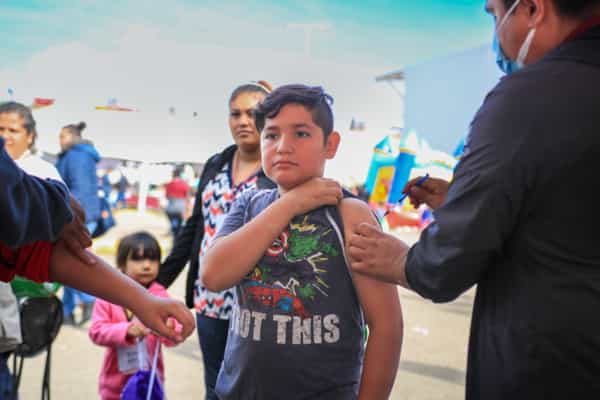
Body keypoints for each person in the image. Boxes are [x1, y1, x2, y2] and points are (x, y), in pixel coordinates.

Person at [346, 1, 600, 398]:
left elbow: (448, 262)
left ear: (533, 9)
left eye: (495, 14)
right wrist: (465, 202)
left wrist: (403, 261)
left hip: (553, 363)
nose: (496, 33)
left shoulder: (530, 97)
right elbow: (569, 215)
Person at [201, 84, 403, 400]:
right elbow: (213, 276)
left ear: (330, 144)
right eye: (271, 135)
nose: (283, 146)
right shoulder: (248, 204)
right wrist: (291, 203)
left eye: (301, 134)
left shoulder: (349, 215)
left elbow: (386, 324)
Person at [156, 80, 275, 400]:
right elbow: (195, 227)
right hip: (210, 297)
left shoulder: (278, 171)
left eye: (253, 113)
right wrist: (157, 283)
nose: (243, 121)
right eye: (235, 114)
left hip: (255, 302)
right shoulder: (216, 164)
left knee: (253, 388)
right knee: (215, 385)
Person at [89, 232, 181, 400]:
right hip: (115, 387)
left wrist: (170, 327)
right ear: (122, 264)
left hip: (150, 385)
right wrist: (126, 330)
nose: (146, 265)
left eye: (153, 260)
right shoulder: (108, 296)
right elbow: (96, 331)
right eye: (138, 259)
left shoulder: (160, 297)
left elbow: (173, 335)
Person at [56, 121, 100, 324]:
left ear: (73, 137)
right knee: (70, 263)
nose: (60, 140)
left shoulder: (76, 156)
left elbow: (78, 191)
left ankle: (86, 300)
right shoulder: (81, 155)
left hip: (76, 217)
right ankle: (67, 312)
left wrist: (68, 219)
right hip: (81, 214)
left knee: (70, 265)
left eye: (63, 136)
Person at [164, 168, 190, 236]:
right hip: (181, 207)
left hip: (171, 207)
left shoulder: (169, 184)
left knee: (174, 224)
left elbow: (166, 196)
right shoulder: (184, 184)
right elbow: (187, 196)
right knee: (179, 225)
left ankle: (174, 230)